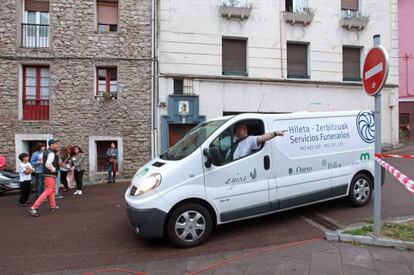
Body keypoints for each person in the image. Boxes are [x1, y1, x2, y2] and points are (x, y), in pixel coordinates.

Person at [29, 139, 60, 217]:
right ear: (51, 145)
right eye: (56, 144)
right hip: (50, 174)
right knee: (48, 191)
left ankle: (53, 206)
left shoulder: (46, 152)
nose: (57, 145)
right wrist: (54, 169)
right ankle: (34, 207)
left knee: (51, 191)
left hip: (47, 174)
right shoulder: (51, 153)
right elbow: (48, 164)